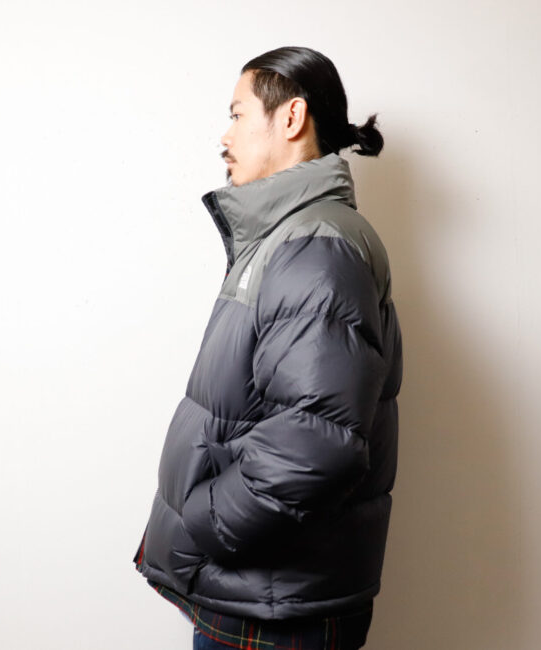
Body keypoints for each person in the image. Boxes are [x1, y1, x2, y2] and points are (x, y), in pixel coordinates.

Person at [132, 45, 403, 650]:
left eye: (237, 114)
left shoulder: (314, 245)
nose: (224, 136)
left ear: (291, 117)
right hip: (263, 592)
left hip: (273, 605)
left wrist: (207, 520)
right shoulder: (291, 235)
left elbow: (318, 443)